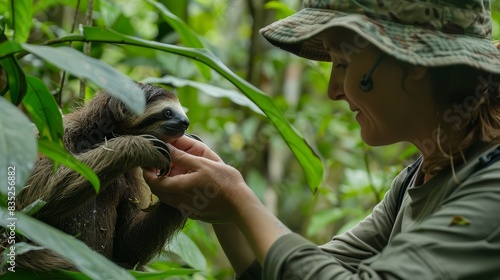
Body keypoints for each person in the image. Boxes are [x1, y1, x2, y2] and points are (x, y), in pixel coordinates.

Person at [143, 0, 500, 279]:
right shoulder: (421, 177)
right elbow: (296, 271)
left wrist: (238, 197)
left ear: (414, 59)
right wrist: (222, 206)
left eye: (343, 62)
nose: (333, 90)